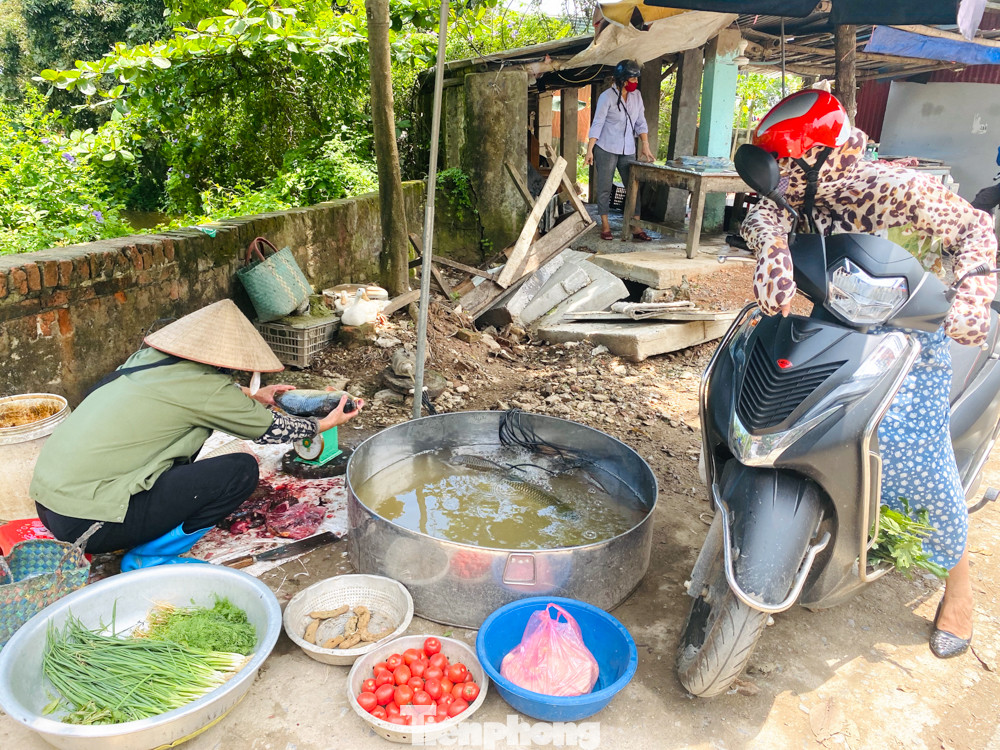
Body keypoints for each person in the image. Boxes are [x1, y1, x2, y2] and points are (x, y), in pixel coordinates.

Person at [742, 89, 997, 659]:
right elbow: (763, 213)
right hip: (832, 320)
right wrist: (771, 250)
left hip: (912, 335)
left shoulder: (890, 186)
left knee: (916, 456)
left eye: (787, 161)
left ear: (820, 155)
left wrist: (974, 292)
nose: (779, 173)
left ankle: (959, 589)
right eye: (775, 163)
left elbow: (977, 229)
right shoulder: (793, 191)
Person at [30, 299, 365, 570]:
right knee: (240, 471)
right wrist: (324, 423)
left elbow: (193, 394)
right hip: (89, 524)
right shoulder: (208, 389)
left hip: (50, 506)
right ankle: (152, 555)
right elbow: (271, 430)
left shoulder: (146, 359)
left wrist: (252, 396)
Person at [585, 59, 655, 242]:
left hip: (628, 149)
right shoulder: (606, 97)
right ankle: (605, 225)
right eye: (632, 79)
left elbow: (641, 121)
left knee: (633, 187)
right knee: (604, 187)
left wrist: (645, 144)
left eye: (636, 79)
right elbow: (597, 123)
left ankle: (636, 226)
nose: (636, 82)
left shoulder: (637, 96)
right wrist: (589, 150)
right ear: (622, 79)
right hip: (606, 148)